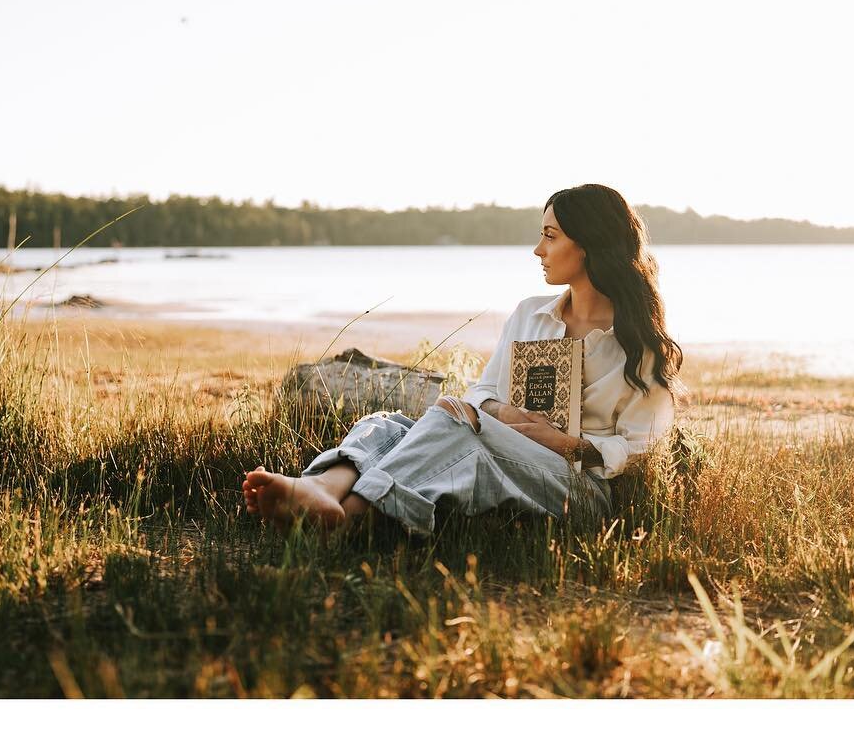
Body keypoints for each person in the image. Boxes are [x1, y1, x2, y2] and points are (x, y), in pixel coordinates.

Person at [242, 183, 684, 535]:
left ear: (588, 245)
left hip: (579, 486)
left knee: (450, 424)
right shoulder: (532, 313)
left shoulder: (642, 345)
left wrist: (566, 444)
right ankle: (323, 486)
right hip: (510, 448)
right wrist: (503, 415)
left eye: (550, 236)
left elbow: (642, 449)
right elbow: (484, 392)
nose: (537, 249)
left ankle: (349, 516)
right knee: (390, 422)